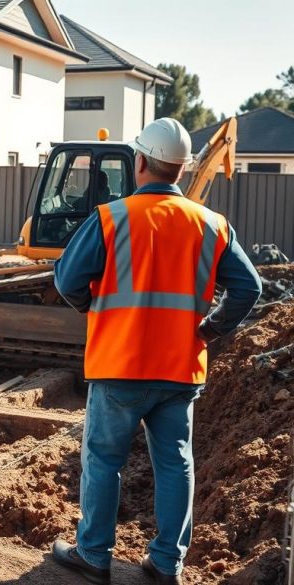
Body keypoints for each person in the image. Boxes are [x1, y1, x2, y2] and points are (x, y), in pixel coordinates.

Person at [50, 118, 262, 585]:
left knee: (104, 460)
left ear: (140, 161)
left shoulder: (110, 217)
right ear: (182, 171)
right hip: (180, 368)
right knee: (175, 462)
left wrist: (92, 306)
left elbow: (66, 280)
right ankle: (167, 563)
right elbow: (250, 287)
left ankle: (93, 555)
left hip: (119, 363)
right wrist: (211, 329)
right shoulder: (211, 224)